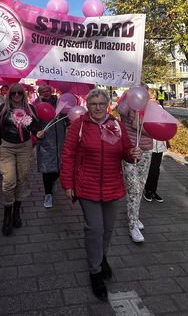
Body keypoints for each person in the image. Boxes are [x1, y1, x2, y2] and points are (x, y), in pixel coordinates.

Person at [60, 88, 142, 302]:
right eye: (93, 103)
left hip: (112, 185)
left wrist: (134, 154)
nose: (97, 107)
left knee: (107, 229)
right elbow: (68, 155)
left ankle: (102, 256)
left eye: (101, 103)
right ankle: (95, 271)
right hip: (86, 186)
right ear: (88, 105)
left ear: (107, 105)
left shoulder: (117, 125)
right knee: (94, 229)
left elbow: (126, 153)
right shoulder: (79, 126)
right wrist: (68, 184)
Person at [0, 83, 43, 236]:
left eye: (19, 93)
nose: (16, 96)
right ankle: (7, 216)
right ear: (9, 95)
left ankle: (17, 211)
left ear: (24, 94)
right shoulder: (4, 108)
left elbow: (35, 128)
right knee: (9, 182)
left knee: (21, 179)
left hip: (24, 147)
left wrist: (39, 133)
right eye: (13, 93)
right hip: (7, 147)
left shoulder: (30, 109)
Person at [118, 98, 154, 243]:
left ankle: (135, 217)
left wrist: (147, 129)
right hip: (130, 151)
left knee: (140, 185)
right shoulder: (127, 105)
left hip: (146, 151)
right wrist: (128, 96)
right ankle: (132, 225)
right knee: (134, 188)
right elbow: (120, 111)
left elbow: (157, 130)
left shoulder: (151, 108)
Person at [35, 85, 66, 208]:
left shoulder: (60, 103)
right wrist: (37, 132)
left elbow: (67, 118)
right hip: (45, 142)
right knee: (46, 169)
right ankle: (48, 194)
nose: (46, 93)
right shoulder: (36, 105)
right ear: (39, 93)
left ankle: (53, 181)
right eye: (43, 91)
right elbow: (33, 123)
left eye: (48, 90)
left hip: (60, 141)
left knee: (58, 168)